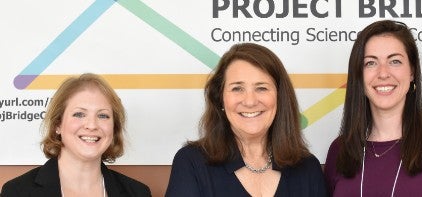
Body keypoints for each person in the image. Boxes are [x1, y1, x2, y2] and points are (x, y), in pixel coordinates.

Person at [324, 20, 422, 197]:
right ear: (359, 76)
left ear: (412, 71)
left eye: (395, 61)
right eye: (370, 63)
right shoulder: (340, 150)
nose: (383, 73)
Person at [165, 43, 327, 197]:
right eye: (237, 88)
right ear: (220, 98)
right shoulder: (191, 162)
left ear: (280, 97)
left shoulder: (308, 168)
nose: (250, 101)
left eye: (261, 88)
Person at [1, 73, 151, 197]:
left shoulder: (138, 193)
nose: (91, 125)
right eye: (79, 114)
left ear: (114, 127)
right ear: (57, 125)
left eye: (103, 116)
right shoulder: (17, 192)